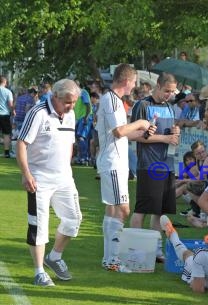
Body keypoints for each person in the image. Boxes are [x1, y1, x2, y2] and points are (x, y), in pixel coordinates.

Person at [16, 79, 83, 286]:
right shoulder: (38, 113)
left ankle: (54, 257)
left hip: (64, 178)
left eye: (73, 102)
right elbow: (21, 143)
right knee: (39, 225)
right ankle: (38, 272)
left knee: (74, 219)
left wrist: (67, 167)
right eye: (67, 102)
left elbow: (69, 144)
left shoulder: (71, 115)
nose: (71, 106)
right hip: (40, 178)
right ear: (55, 96)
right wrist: (26, 173)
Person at [96, 64, 156, 272]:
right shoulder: (111, 100)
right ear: (126, 80)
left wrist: (144, 132)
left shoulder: (116, 101)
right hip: (112, 162)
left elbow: (124, 133)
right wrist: (140, 122)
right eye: (133, 82)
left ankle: (109, 259)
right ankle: (112, 260)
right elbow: (119, 131)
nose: (134, 86)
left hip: (116, 161)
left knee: (113, 209)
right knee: (123, 210)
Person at [129, 72, 179, 262]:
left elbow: (171, 134)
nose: (169, 95)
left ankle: (155, 249)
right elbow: (136, 135)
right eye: (167, 91)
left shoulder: (169, 107)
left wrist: (175, 133)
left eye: (172, 92)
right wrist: (165, 138)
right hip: (149, 164)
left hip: (167, 163)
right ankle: (135, 247)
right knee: (142, 208)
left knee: (160, 210)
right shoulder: (142, 105)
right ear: (157, 86)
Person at [0, 76, 15, 158]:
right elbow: (10, 104)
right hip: (5, 114)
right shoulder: (8, 91)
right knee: (6, 134)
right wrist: (13, 111)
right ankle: (6, 153)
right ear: (5, 82)